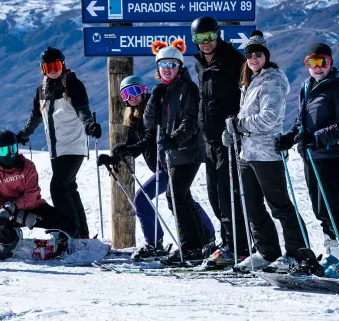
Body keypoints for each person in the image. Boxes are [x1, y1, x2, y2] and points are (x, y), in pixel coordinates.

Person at [98, 75, 215, 261]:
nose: (132, 96)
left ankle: (155, 243)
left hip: (170, 164)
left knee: (143, 199)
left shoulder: (152, 111)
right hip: (164, 166)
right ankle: (207, 235)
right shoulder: (134, 117)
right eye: (126, 93)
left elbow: (148, 140)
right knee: (183, 199)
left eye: (135, 90)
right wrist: (113, 158)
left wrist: (128, 148)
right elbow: (134, 148)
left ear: (144, 91)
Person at [277, 42, 339, 278]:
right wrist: (290, 137)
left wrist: (316, 138)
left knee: (331, 210)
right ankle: (336, 256)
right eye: (311, 63)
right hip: (311, 157)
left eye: (322, 62)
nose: (317, 67)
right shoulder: (307, 86)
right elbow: (301, 122)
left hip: (330, 156)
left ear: (330, 63)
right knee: (320, 211)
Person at [223, 30, 307, 272]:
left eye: (258, 54)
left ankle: (297, 252)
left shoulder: (273, 80)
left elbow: (268, 119)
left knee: (279, 204)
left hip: (267, 153)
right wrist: (231, 131)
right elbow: (244, 115)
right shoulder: (250, 81)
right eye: (249, 55)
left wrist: (239, 125)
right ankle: (267, 251)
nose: (253, 58)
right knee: (252, 205)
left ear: (266, 56)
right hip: (247, 154)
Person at [136, 39, 210, 263]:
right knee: (181, 197)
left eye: (172, 65)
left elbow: (191, 121)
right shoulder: (163, 90)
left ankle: (191, 248)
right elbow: (149, 123)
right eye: (163, 65)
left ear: (179, 67)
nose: (167, 69)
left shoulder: (187, 89)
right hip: (172, 154)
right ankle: (202, 243)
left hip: (188, 150)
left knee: (175, 195)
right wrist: (155, 96)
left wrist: (174, 140)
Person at [16, 47, 101, 239]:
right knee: (69, 188)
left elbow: (82, 111)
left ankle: (71, 232)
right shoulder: (41, 91)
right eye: (49, 66)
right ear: (43, 69)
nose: (53, 70)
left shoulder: (73, 85)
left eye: (56, 65)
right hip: (56, 149)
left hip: (73, 146)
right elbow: (36, 116)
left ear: (63, 64)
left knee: (58, 188)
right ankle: (82, 234)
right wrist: (23, 134)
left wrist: (90, 126)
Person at [190, 16, 250, 267]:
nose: (205, 43)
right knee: (215, 196)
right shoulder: (200, 65)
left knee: (229, 196)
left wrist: (236, 127)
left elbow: (246, 96)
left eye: (209, 37)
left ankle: (241, 247)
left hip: (229, 140)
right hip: (209, 141)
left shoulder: (235, 62)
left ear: (218, 35)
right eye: (199, 39)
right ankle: (228, 244)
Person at [0, 130, 75, 260]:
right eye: (4, 151)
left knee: (69, 225)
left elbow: (32, 194)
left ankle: (61, 244)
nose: (10, 154)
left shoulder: (27, 166)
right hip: (8, 212)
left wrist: (15, 206)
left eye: (13, 149)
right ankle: (11, 241)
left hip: (34, 207)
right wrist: (17, 214)